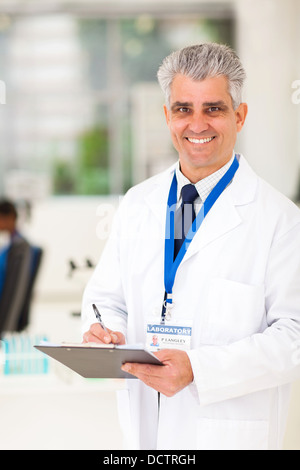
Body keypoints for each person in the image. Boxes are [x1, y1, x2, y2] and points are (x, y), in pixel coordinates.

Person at [81, 43, 300, 450]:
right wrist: (104, 333)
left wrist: (200, 368)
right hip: (146, 428)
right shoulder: (137, 203)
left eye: (213, 109)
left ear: (240, 116)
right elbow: (106, 299)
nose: (196, 124)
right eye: (183, 109)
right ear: (167, 116)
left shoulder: (280, 221)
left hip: (227, 432)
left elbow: (294, 336)